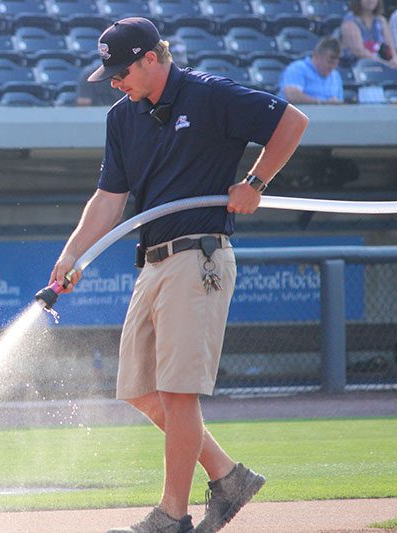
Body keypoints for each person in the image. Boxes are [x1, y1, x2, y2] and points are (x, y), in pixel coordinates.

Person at [47, 17, 308, 533]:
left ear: (152, 58)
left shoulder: (210, 94)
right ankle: (228, 478)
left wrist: (255, 181)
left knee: (177, 392)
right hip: (152, 260)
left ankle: (172, 515)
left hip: (199, 255)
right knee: (141, 390)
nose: (115, 81)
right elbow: (109, 198)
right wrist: (72, 254)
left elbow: (292, 121)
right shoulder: (122, 117)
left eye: (121, 70)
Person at [279, 37, 344, 104]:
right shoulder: (297, 69)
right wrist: (324, 103)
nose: (333, 67)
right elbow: (292, 96)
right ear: (316, 56)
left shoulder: (336, 76)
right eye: (330, 62)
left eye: (336, 63)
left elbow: (340, 102)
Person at [340, 0, 397, 67]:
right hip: (357, 68)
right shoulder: (350, 22)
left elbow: (390, 47)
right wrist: (384, 64)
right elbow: (359, 51)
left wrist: (394, 59)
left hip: (382, 68)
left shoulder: (381, 21)